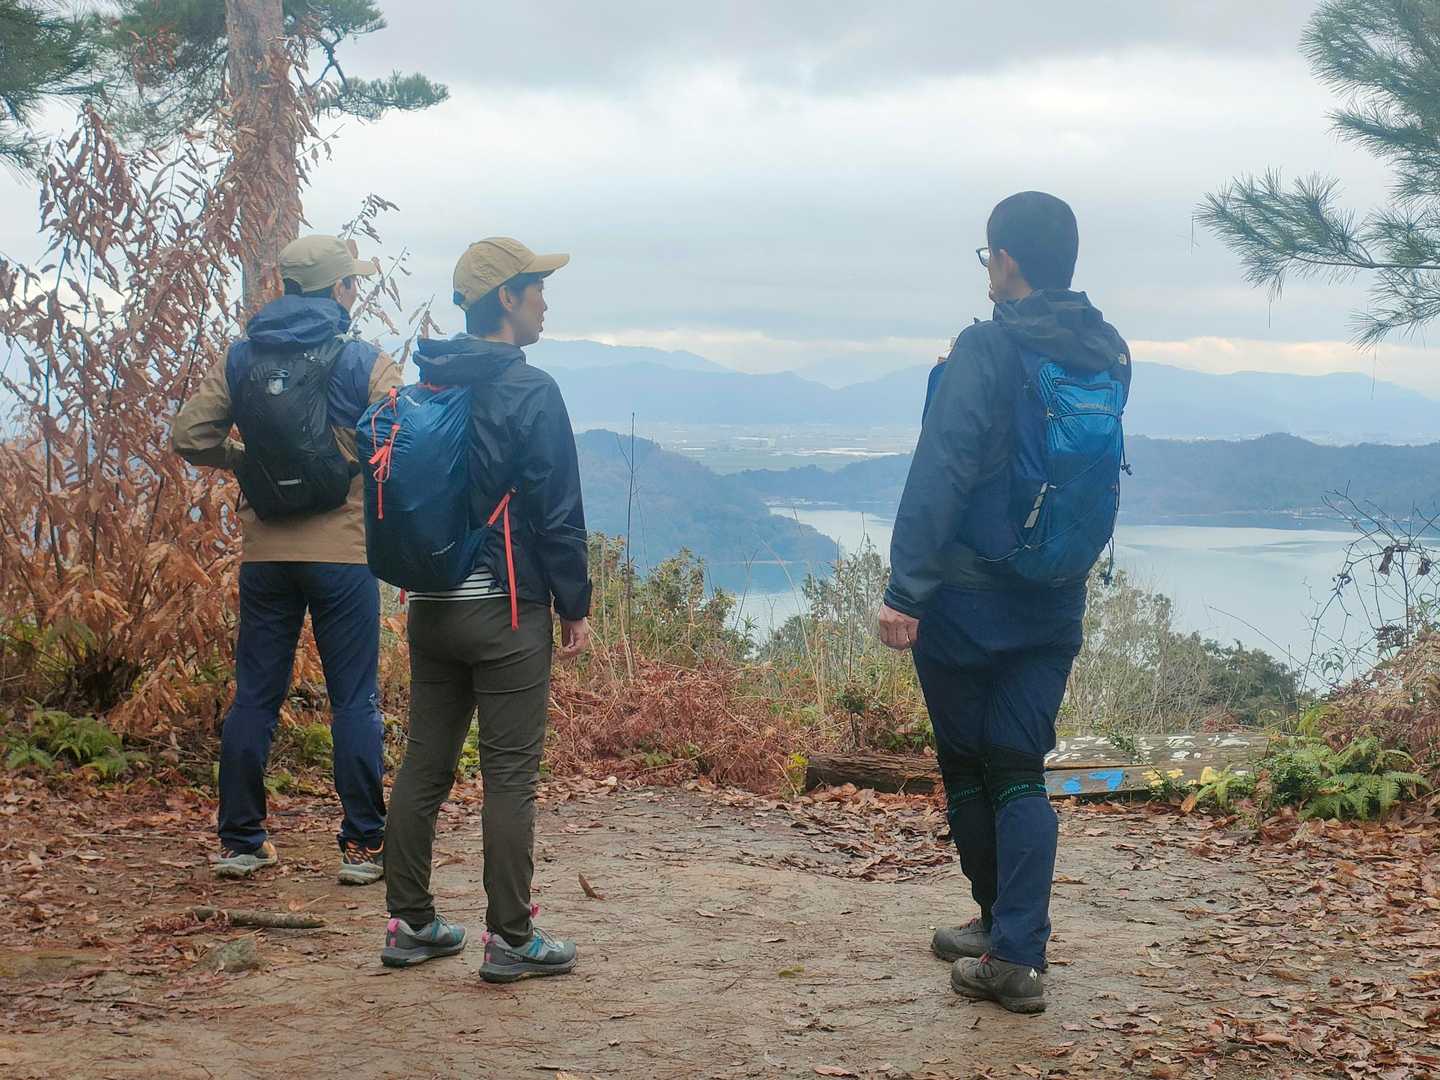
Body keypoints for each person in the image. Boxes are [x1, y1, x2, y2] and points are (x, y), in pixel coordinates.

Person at [877, 192, 1132, 1014]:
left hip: (967, 598)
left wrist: (905, 590)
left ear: (1008, 260)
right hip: (1054, 597)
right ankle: (1009, 942)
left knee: (969, 765)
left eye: (989, 254)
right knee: (1020, 767)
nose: (988, 268)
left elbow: (944, 469)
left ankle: (1008, 943)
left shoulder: (986, 349)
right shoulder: (1108, 349)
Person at [380, 238, 592, 984]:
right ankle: (510, 938)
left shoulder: (428, 383)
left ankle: (410, 923)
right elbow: (558, 510)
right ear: (506, 298)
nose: (545, 302)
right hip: (505, 610)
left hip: (431, 606)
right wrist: (574, 603)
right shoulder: (530, 390)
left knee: (424, 764)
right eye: (537, 288)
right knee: (509, 775)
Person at [172, 235, 402, 886]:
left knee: (254, 697)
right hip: (342, 555)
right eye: (352, 282)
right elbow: (401, 435)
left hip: (265, 554)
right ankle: (362, 846)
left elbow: (189, 435)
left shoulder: (242, 356)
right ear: (339, 289)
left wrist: (247, 461)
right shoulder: (362, 359)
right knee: (353, 699)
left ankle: (241, 841)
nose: (354, 290)